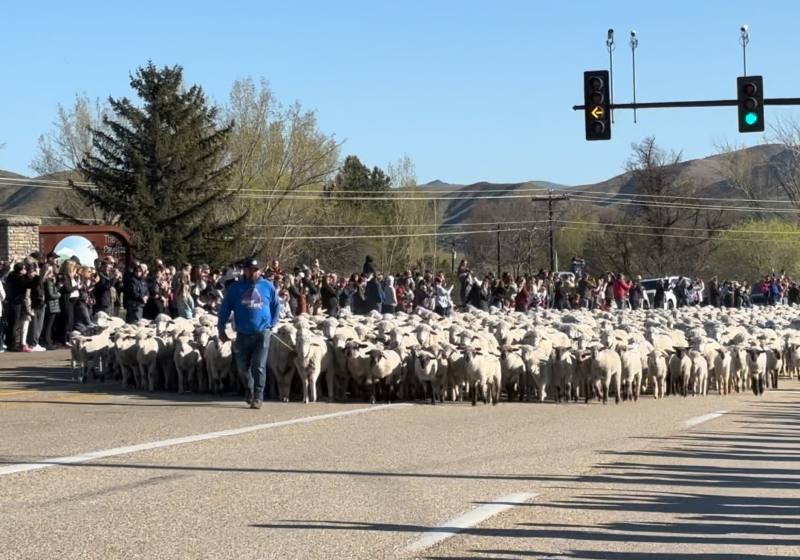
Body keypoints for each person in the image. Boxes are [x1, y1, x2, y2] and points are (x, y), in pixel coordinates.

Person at [218, 259, 280, 409]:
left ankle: (258, 397)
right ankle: (249, 389)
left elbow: (276, 305)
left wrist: (272, 323)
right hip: (243, 333)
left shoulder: (267, 286)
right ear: (244, 270)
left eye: (256, 270)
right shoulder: (236, 288)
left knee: (259, 365)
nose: (253, 272)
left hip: (262, 332)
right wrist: (221, 328)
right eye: (250, 269)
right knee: (242, 366)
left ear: (260, 271)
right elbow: (225, 309)